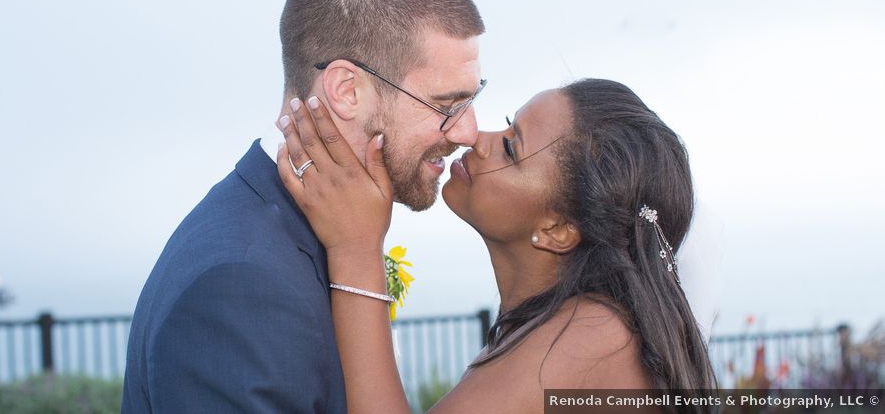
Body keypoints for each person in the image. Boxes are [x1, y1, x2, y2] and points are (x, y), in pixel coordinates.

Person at [121, 0, 486, 413]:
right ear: (346, 91)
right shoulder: (241, 286)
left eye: (472, 99)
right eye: (446, 105)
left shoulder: (300, 235)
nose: (471, 131)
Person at [277, 79, 717, 413]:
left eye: (510, 147)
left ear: (559, 228)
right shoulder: (553, 327)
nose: (475, 139)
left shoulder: (595, 335)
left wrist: (356, 251)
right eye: (507, 126)